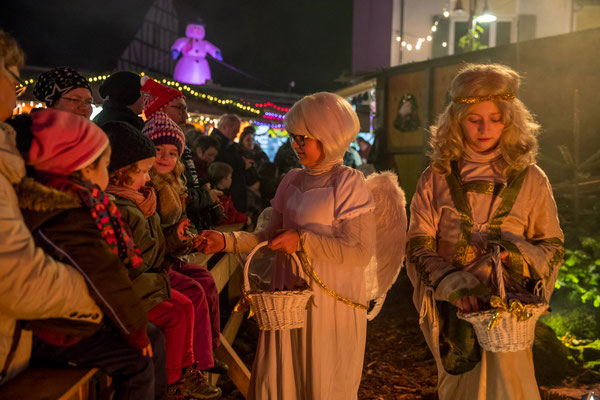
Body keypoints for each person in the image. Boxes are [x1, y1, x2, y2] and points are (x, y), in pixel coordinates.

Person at [198, 92, 376, 400]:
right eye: (293, 138)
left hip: (329, 301)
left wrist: (303, 241)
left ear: (327, 136)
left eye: (302, 138)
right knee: (283, 376)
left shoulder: (347, 182)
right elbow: (267, 236)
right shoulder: (292, 179)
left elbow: (359, 251)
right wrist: (225, 241)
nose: (295, 146)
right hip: (287, 299)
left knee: (319, 375)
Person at [405, 64, 564, 400]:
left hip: (509, 312)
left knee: (507, 387)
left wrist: (515, 255)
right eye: (474, 118)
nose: (484, 128)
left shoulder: (531, 178)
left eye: (495, 118)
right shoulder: (435, 177)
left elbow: (552, 245)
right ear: (456, 120)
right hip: (454, 309)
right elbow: (418, 245)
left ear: (510, 119)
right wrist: (454, 286)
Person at [16, 108, 167, 399]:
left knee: (153, 337)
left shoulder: (84, 203)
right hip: (54, 329)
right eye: (105, 164)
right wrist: (133, 330)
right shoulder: (67, 212)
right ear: (84, 168)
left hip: (69, 317)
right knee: (138, 358)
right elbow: (103, 274)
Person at [0, 30, 102, 386]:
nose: (86, 108)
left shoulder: (87, 143)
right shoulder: (27, 142)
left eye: (88, 101)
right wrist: (98, 287)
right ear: (51, 102)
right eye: (76, 99)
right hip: (45, 291)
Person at [102, 121, 221, 399]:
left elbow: (151, 248)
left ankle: (195, 365)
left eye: (172, 153)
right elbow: (138, 259)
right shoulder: (124, 206)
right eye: (143, 172)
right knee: (181, 307)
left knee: (192, 296)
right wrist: (172, 246)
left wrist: (178, 240)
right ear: (120, 171)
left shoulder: (143, 198)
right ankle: (174, 383)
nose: (147, 177)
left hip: (147, 279)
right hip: (132, 290)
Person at [143, 113, 226, 375]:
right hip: (158, 264)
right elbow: (153, 237)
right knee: (193, 292)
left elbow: (174, 230)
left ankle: (209, 352)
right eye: (158, 150)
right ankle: (194, 365)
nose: (164, 157)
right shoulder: (147, 189)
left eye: (171, 152)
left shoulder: (173, 185)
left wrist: (188, 239)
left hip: (171, 256)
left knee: (206, 278)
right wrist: (178, 239)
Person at [141, 77, 221, 231]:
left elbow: (184, 186)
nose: (186, 116)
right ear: (160, 108)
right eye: (180, 108)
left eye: (172, 153)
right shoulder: (147, 181)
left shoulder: (178, 142)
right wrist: (205, 197)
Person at [210, 114, 248, 212]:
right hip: (226, 194)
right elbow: (223, 165)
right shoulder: (215, 144)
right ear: (223, 127)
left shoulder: (231, 145)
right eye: (234, 131)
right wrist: (242, 164)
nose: (236, 135)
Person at [208, 162, 250, 226]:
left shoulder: (226, 194)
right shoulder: (217, 197)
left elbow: (232, 212)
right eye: (230, 177)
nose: (231, 180)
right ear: (224, 179)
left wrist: (244, 217)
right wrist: (245, 218)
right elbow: (224, 218)